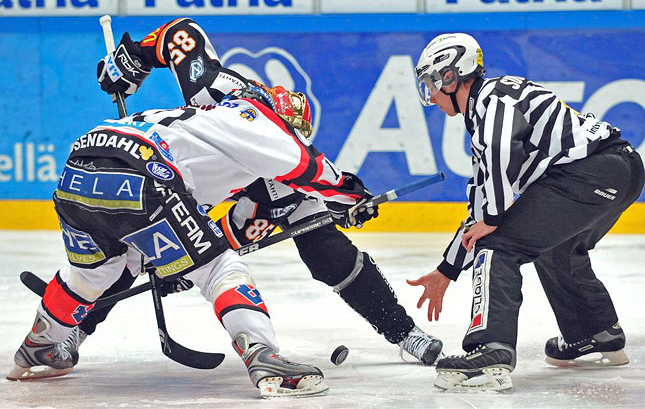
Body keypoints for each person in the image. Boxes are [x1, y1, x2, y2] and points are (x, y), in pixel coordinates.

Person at [62, 18, 442, 367]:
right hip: (153, 165)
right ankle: (72, 330)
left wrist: (181, 262)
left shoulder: (284, 184)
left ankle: (404, 332)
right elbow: (183, 34)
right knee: (126, 253)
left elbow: (234, 232)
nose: (289, 142)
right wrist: (137, 56)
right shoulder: (219, 92)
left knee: (329, 252)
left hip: (177, 188)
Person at [7, 80, 378, 399]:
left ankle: (37, 347)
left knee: (91, 277)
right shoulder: (258, 121)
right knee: (221, 269)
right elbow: (309, 170)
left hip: (79, 169)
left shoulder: (206, 121)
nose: (296, 135)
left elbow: (162, 230)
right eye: (294, 128)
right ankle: (263, 356)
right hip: (143, 171)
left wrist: (169, 263)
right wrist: (353, 196)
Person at [407, 33, 644, 391]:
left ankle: (491, 352)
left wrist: (494, 219)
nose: (432, 98)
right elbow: (480, 208)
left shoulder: (492, 100)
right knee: (554, 245)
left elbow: (496, 186)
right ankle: (596, 332)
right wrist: (446, 269)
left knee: (499, 246)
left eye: (431, 85)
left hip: (592, 171)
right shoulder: (486, 115)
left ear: (452, 76)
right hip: (621, 170)